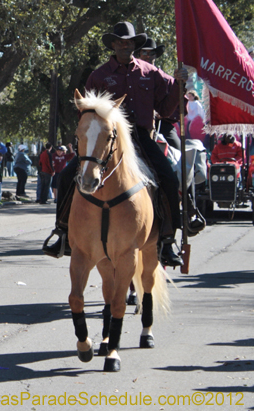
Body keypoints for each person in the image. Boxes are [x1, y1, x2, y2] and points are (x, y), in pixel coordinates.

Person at [42, 21, 188, 267]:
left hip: (140, 137)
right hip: (105, 139)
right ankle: (63, 232)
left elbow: (165, 108)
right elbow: (86, 113)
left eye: (128, 42)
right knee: (67, 176)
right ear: (112, 44)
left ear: (134, 45)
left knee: (168, 177)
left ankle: (166, 238)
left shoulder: (150, 73)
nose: (124, 45)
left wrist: (178, 83)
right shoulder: (99, 75)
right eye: (120, 41)